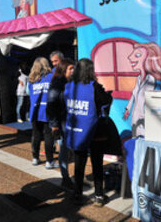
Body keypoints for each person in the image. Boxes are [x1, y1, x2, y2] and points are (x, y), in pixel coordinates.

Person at [63, 58, 112, 206]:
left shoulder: (69, 86)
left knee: (79, 163)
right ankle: (98, 195)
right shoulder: (94, 87)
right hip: (95, 131)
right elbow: (105, 102)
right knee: (97, 164)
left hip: (76, 130)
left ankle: (77, 193)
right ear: (91, 70)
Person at [123, 42, 161, 137]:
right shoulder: (139, 79)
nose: (130, 57)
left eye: (137, 55)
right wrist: (128, 109)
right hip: (136, 117)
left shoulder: (151, 80)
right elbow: (133, 95)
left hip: (145, 119)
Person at [46, 58, 75, 188]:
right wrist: (54, 125)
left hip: (70, 121)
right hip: (62, 122)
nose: (73, 71)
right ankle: (65, 177)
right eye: (70, 68)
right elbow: (51, 105)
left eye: (74, 68)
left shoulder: (72, 82)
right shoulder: (57, 84)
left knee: (67, 150)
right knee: (63, 149)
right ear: (63, 70)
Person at [28, 57, 57, 169]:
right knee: (48, 136)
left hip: (35, 111)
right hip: (47, 110)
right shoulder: (51, 78)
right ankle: (49, 161)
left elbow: (28, 94)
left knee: (36, 135)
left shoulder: (31, 80)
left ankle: (35, 158)